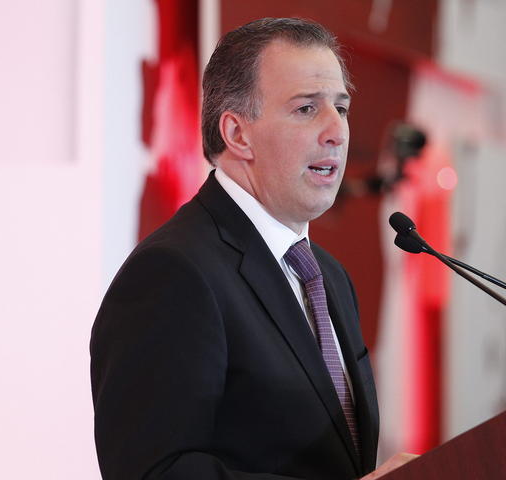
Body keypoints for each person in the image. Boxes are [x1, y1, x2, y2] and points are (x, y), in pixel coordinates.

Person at [91, 17, 415, 479]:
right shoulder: (173, 273)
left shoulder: (330, 277)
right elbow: (154, 472)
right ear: (237, 134)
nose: (338, 132)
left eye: (341, 108)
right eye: (307, 108)